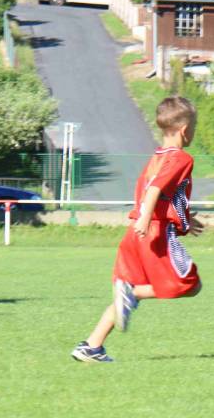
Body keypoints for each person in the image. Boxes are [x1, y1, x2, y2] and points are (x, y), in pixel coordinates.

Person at [71, 97, 204, 363]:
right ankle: (132, 293)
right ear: (184, 130)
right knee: (190, 285)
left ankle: (91, 346)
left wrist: (185, 219)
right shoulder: (181, 158)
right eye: (194, 127)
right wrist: (147, 219)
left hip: (135, 232)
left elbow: (161, 193)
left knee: (130, 294)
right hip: (154, 232)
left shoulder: (157, 157)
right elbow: (155, 189)